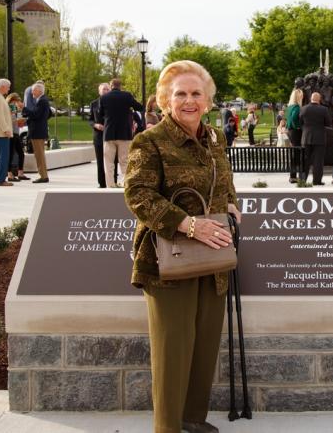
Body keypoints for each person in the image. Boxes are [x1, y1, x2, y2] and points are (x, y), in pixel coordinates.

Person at [124, 60, 240, 433]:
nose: (189, 100)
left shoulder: (215, 139)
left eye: (196, 93)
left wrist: (232, 204)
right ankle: (168, 427)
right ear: (165, 101)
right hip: (167, 258)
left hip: (215, 254)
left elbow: (224, 181)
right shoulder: (150, 141)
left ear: (207, 100)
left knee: (205, 343)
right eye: (180, 94)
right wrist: (189, 225)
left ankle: (192, 419)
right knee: (173, 348)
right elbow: (138, 195)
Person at [97, 78, 144, 188]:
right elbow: (139, 107)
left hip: (109, 133)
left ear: (111, 85)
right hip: (124, 134)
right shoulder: (127, 96)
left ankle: (110, 185)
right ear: (120, 86)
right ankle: (124, 183)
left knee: (108, 162)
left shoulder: (103, 98)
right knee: (124, 161)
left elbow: (100, 115)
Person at [299, 92, 331, 185]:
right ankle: (317, 181)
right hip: (320, 138)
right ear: (319, 99)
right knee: (318, 161)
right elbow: (328, 123)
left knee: (305, 159)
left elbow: (300, 122)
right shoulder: (324, 109)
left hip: (306, 137)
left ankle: (302, 180)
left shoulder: (303, 109)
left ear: (310, 98)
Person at [89, 83, 117, 188]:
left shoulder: (114, 103)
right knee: (100, 161)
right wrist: (95, 125)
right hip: (99, 136)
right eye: (104, 89)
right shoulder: (94, 103)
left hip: (111, 136)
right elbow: (90, 119)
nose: (106, 91)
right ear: (99, 91)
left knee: (111, 161)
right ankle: (101, 184)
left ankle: (112, 182)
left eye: (107, 89)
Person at [22, 83, 51, 183]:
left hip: (37, 132)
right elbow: (45, 114)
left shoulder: (42, 101)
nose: (32, 92)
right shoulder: (43, 100)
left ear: (39, 91)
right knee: (39, 155)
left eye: (33, 90)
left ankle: (43, 176)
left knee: (39, 155)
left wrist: (23, 108)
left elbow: (35, 114)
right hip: (39, 131)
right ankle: (43, 175)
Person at [6, 93, 29, 182]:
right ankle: (10, 174)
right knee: (11, 154)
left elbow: (16, 117)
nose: (18, 102)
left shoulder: (14, 107)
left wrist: (20, 119)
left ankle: (20, 173)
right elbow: (10, 119)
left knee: (21, 153)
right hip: (11, 133)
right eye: (17, 100)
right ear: (13, 100)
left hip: (16, 132)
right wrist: (18, 120)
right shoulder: (9, 106)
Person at [286, 88, 304, 183]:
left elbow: (289, 118)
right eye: (301, 96)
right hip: (295, 132)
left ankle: (293, 175)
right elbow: (293, 118)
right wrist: (298, 127)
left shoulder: (289, 107)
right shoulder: (297, 107)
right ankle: (293, 176)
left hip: (290, 131)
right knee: (296, 154)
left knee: (294, 153)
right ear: (298, 97)